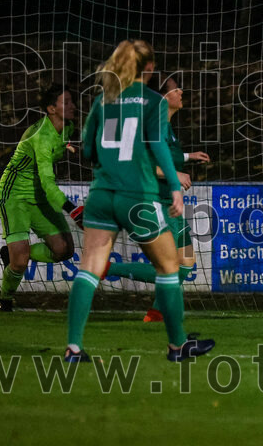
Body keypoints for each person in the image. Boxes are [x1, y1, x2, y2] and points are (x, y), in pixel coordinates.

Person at [66, 39, 214, 362]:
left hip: (102, 195)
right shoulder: (152, 101)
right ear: (149, 68)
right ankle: (177, 345)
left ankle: (73, 347)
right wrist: (174, 184)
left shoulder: (102, 100)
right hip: (139, 198)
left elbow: (88, 150)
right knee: (170, 266)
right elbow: (158, 145)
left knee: (89, 269)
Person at [104, 76, 210, 323]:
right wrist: (175, 174)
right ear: (163, 97)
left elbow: (166, 156)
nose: (181, 92)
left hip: (168, 203)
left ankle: (154, 313)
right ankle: (107, 270)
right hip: (153, 203)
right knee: (175, 267)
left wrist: (187, 156)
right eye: (176, 89)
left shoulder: (166, 125)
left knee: (184, 264)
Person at [0, 84, 85, 312]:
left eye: (72, 101)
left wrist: (65, 145)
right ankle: (5, 299)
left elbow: (59, 142)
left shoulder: (69, 127)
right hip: (15, 194)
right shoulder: (41, 137)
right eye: (66, 102)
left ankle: (13, 254)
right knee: (19, 263)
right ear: (51, 109)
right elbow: (48, 183)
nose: (72, 106)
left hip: (40, 196)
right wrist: (72, 209)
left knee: (64, 250)